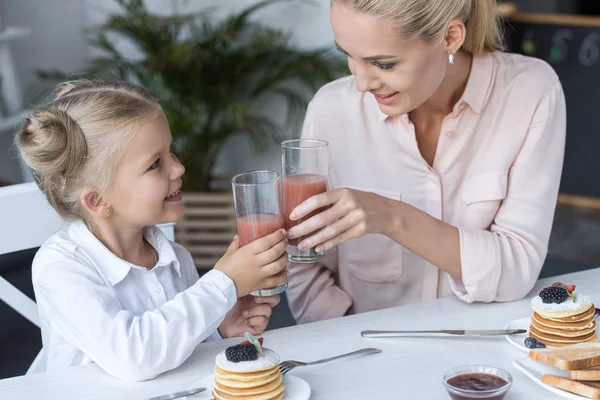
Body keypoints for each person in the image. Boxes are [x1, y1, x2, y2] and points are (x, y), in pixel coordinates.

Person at [285, 0, 566, 323]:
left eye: (384, 64)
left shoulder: (530, 92)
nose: (362, 83)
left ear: (450, 38)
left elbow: (516, 270)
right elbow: (305, 264)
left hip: (482, 357)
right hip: (362, 355)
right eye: (347, 55)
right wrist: (350, 346)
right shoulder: (331, 110)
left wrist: (390, 216)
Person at [15, 80, 288, 381]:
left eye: (171, 152)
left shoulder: (174, 257)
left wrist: (221, 326)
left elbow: (177, 354)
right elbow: (135, 357)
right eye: (155, 164)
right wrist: (224, 285)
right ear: (98, 200)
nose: (178, 168)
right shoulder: (61, 268)